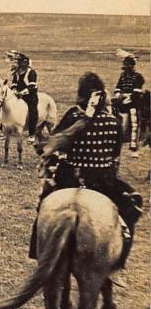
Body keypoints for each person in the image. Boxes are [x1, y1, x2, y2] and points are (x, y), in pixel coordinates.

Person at [31, 73, 142, 282]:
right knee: (132, 205)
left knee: (44, 205)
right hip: (103, 184)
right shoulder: (113, 121)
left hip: (70, 180)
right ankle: (117, 264)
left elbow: (54, 145)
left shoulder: (74, 117)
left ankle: (39, 252)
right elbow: (115, 159)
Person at [114, 51, 145, 158]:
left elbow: (136, 92)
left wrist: (126, 98)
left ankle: (134, 148)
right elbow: (117, 88)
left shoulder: (138, 77)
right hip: (122, 100)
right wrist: (119, 96)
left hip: (133, 102)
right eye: (125, 65)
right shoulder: (122, 76)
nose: (126, 67)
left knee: (134, 123)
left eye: (128, 65)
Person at [11, 52, 38, 143]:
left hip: (30, 97)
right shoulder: (17, 73)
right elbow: (13, 85)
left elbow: (32, 87)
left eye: (22, 62)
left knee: (32, 112)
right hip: (18, 96)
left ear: (26, 63)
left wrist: (21, 93)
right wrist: (15, 91)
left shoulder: (31, 73)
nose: (20, 64)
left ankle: (32, 134)